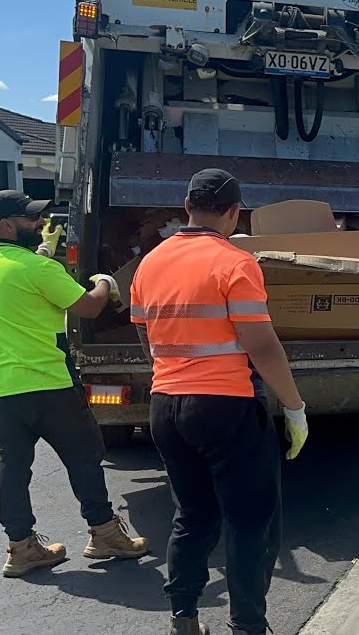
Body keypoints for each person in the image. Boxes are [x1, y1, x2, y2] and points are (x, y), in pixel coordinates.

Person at [130, 169, 309, 635]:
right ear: (233, 212)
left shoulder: (150, 262)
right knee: (251, 522)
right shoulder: (234, 262)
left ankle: (184, 619)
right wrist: (294, 407)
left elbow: (143, 330)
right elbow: (262, 346)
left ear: (186, 205)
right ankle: (247, 626)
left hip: (166, 405)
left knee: (192, 515)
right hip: (224, 407)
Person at [0, 190, 149, 578]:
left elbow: (20, 281)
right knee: (84, 455)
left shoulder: (27, 267)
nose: (39, 225)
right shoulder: (38, 270)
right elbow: (89, 306)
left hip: (3, 391)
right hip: (48, 383)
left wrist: (44, 253)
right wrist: (105, 283)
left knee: (12, 468)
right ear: (6, 225)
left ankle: (20, 547)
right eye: (30, 219)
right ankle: (103, 534)